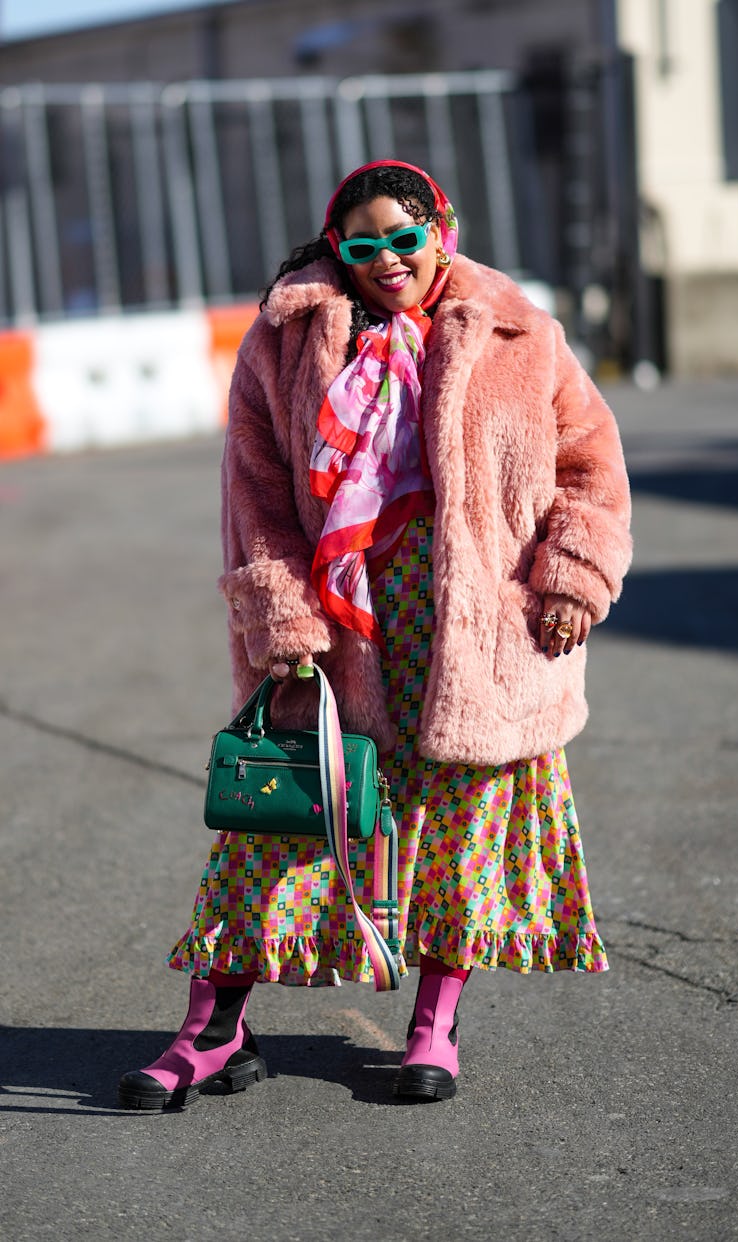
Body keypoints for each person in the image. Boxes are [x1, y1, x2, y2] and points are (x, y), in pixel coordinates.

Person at [118, 159, 632, 1110]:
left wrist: (572, 581)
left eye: (405, 238)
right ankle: (212, 1031)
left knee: (462, 835)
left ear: (442, 227)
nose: (387, 260)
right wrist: (283, 616)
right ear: (340, 249)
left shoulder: (523, 332)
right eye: (364, 246)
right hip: (338, 631)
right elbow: (257, 492)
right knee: (284, 827)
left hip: (481, 636)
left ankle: (436, 1023)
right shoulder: (285, 342)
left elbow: (590, 470)